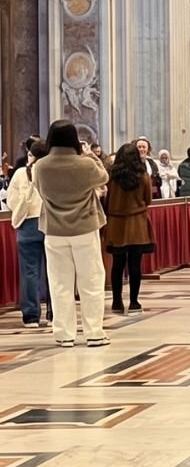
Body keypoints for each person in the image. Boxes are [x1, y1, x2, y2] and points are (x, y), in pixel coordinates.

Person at [33, 121, 109, 348]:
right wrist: (89, 155)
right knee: (91, 281)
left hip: (54, 231)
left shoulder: (41, 166)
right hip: (84, 228)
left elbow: (38, 188)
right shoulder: (84, 164)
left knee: (59, 284)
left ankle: (64, 334)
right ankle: (94, 332)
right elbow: (103, 176)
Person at [103, 142, 154, 313]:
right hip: (137, 223)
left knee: (117, 264)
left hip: (117, 223)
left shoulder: (111, 178)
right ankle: (134, 302)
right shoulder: (143, 176)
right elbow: (148, 200)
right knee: (135, 264)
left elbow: (106, 201)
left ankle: (117, 302)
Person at [6, 138, 51, 328]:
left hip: (27, 224)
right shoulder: (51, 171)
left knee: (29, 272)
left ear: (30, 154)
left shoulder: (19, 174)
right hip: (50, 223)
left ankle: (31, 316)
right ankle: (54, 314)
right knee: (53, 272)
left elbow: (11, 201)